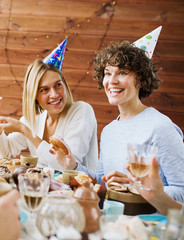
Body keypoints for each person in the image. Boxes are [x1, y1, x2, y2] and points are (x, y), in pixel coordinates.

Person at [54, 40, 184, 203]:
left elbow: (182, 191)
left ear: (141, 79)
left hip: (149, 224)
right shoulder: (110, 130)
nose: (112, 81)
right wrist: (73, 166)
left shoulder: (160, 128)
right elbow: (103, 182)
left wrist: (136, 187)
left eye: (122, 72)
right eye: (108, 73)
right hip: (114, 221)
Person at [0, 40, 98, 172]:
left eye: (58, 85)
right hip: (44, 190)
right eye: (44, 90)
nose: (54, 94)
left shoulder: (81, 111)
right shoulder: (33, 119)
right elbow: (5, 153)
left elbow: (66, 165)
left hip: (82, 190)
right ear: (34, 96)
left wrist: (25, 131)